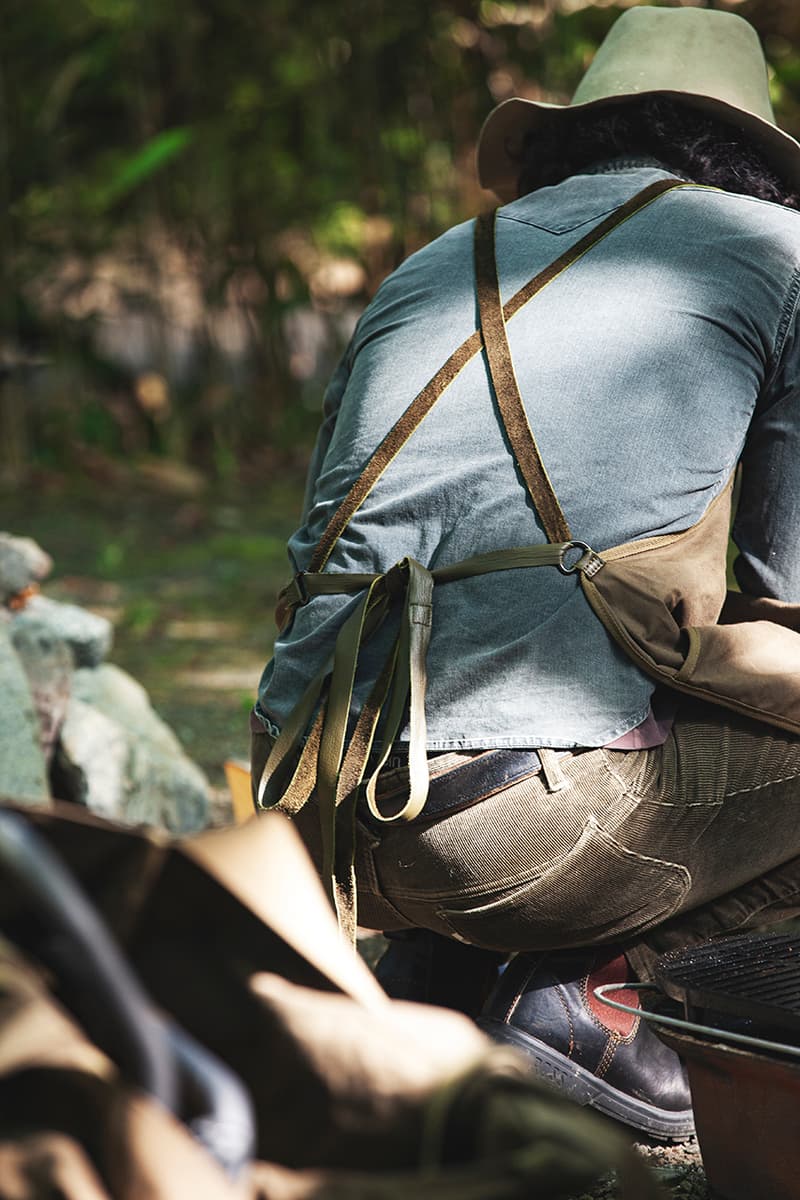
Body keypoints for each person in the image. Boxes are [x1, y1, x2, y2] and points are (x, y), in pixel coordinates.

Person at [251, 6, 800, 1141]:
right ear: (751, 158)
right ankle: (607, 1003)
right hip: (529, 829)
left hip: (320, 812)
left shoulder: (432, 262)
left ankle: (442, 984)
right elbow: (784, 579)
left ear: (572, 139)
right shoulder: (776, 254)